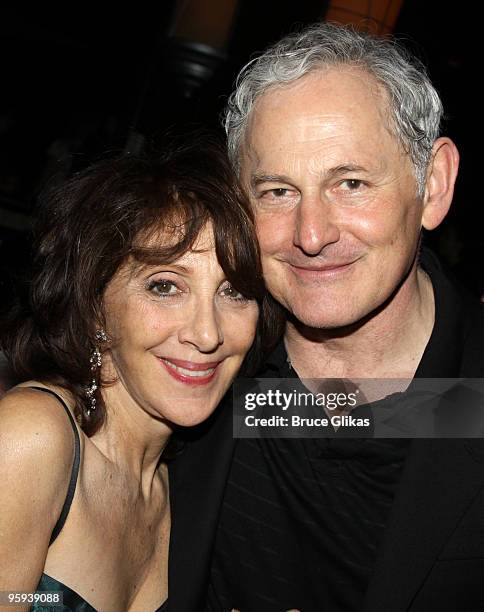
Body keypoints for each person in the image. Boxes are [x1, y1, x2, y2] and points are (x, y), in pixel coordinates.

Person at [166, 23, 484, 612]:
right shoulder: (192, 359)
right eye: (278, 192)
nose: (311, 235)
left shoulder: (469, 390)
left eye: (352, 183)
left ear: (433, 186)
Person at [0, 134, 267, 611]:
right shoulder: (33, 436)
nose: (207, 335)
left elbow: (413, 409)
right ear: (95, 308)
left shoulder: (181, 491)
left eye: (234, 293)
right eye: (165, 287)